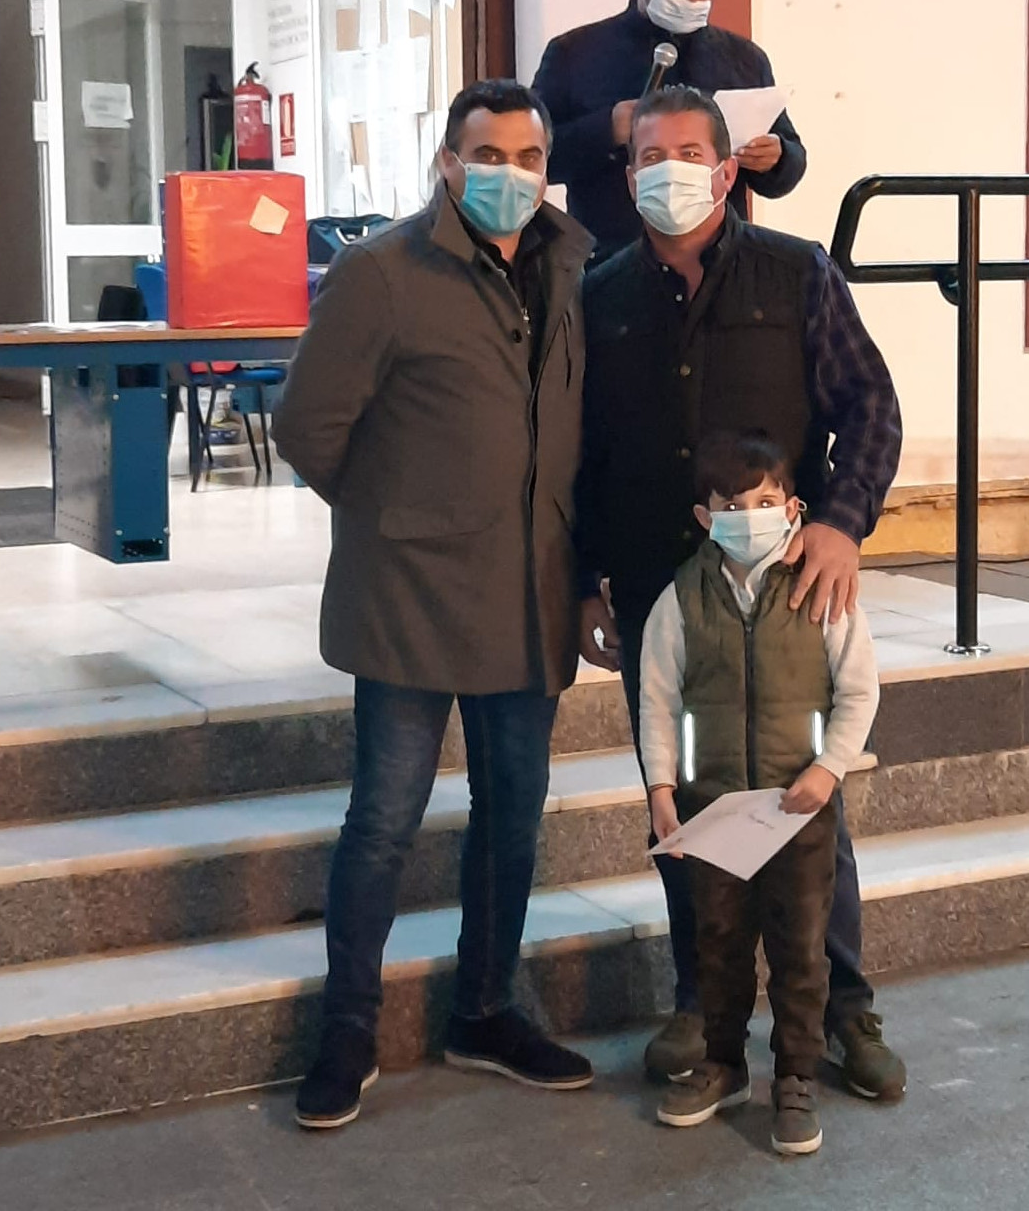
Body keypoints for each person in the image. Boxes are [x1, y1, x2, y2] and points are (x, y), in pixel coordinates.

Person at [273, 80, 595, 1132]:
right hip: (409, 596)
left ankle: (484, 1011)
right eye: (487, 156)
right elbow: (308, 428)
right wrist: (395, 516)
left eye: (528, 157)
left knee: (511, 816)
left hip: (529, 591)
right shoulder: (382, 273)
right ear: (449, 162)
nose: (509, 175)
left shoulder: (572, 264)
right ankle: (347, 1034)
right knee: (383, 820)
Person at [576, 83, 906, 1102]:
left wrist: (842, 521)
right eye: (649, 155)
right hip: (662, 596)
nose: (669, 170)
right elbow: (580, 455)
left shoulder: (797, 272)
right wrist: (585, 578)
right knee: (686, 799)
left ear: (727, 169)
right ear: (626, 172)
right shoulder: (600, 295)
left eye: (690, 153)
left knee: (807, 794)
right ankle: (703, 1005)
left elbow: (870, 405)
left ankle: (841, 1007)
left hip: (787, 586)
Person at [641, 430, 880, 1156]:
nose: (751, 516)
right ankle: (723, 1064)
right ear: (705, 517)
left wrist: (828, 768)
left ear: (793, 507)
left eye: (766, 501)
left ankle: (796, 1075)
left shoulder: (822, 592)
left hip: (797, 811)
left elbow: (858, 690)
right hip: (714, 810)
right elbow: (657, 700)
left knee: (800, 950)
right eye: (733, 506)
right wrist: (661, 787)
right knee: (717, 943)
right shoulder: (680, 599)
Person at [533, 0, 806, 258]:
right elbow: (536, 160)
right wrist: (606, 129)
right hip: (609, 259)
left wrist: (776, 158)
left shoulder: (744, 59)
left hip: (720, 262)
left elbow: (790, 164)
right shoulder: (574, 53)